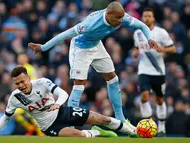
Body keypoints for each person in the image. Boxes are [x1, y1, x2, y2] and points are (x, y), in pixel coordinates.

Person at [28, 2, 159, 126]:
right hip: (80, 48)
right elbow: (65, 34)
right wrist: (44, 47)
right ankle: (71, 123)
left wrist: (150, 38)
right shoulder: (90, 24)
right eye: (117, 18)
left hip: (96, 45)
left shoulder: (122, 16)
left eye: (121, 17)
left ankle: (121, 118)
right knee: (79, 84)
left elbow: (142, 26)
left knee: (113, 79)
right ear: (108, 15)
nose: (120, 21)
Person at [0, 66, 137, 137]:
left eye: (23, 81)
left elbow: (63, 93)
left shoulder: (42, 83)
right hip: (49, 126)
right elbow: (5, 118)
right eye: (17, 83)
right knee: (79, 136)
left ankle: (133, 132)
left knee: (101, 118)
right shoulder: (15, 97)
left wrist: (58, 104)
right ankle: (99, 133)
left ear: (28, 78)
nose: (21, 85)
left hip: (63, 112)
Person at [132, 8, 176, 137]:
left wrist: (162, 49)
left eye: (149, 16)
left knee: (159, 99)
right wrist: (135, 54)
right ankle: (149, 124)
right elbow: (136, 49)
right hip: (143, 70)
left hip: (158, 71)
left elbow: (173, 48)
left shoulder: (161, 33)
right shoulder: (138, 33)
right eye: (144, 16)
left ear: (153, 18)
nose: (146, 18)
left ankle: (161, 127)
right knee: (144, 97)